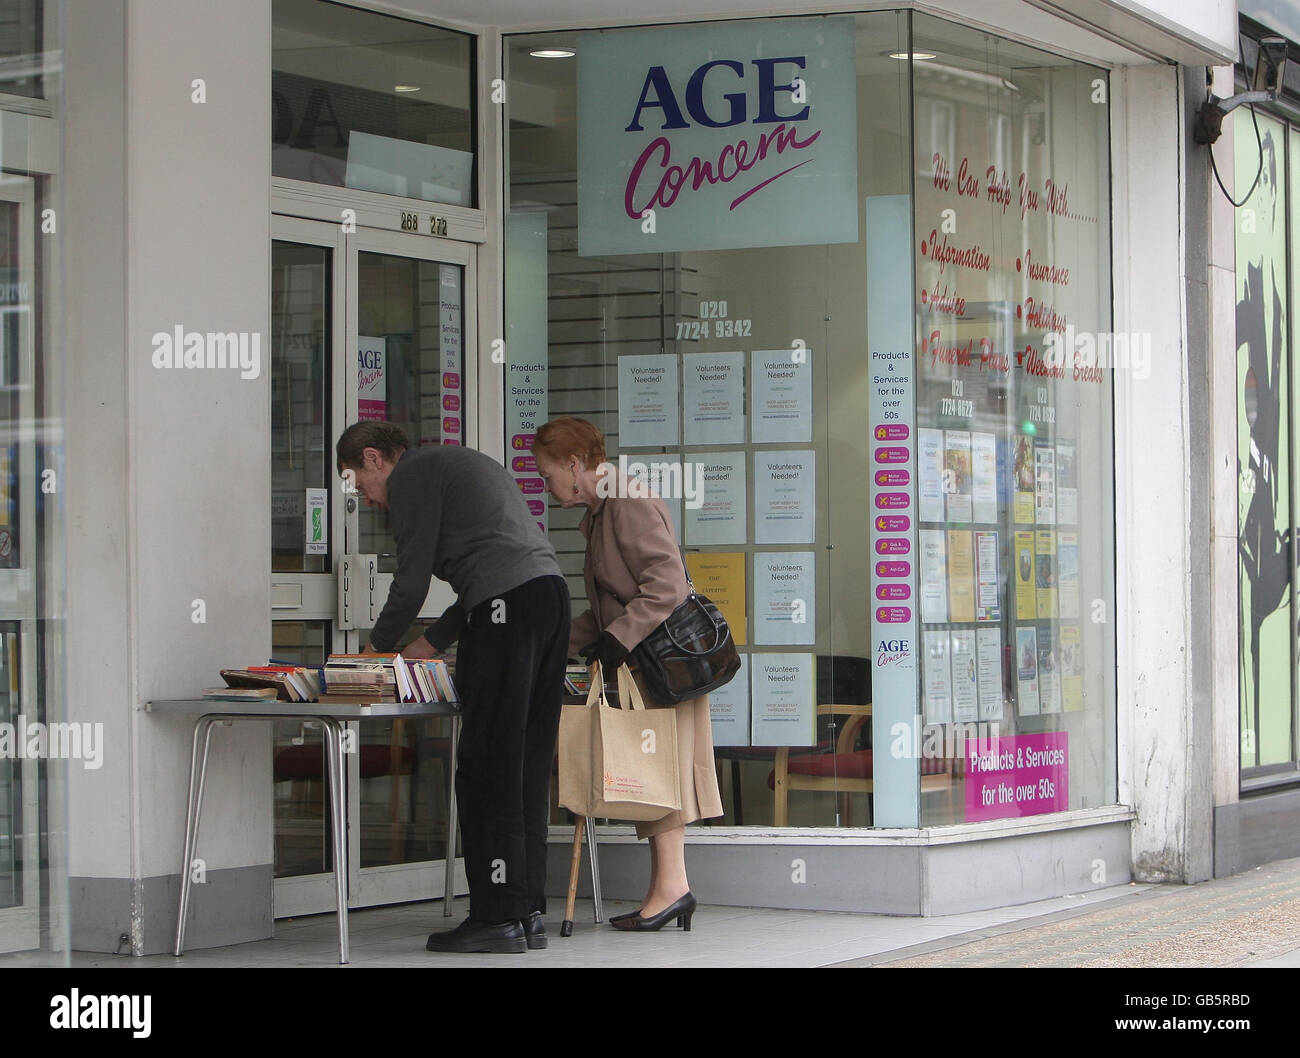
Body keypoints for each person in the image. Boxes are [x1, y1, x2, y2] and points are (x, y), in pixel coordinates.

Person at [336, 422, 569, 955]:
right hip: (547, 599)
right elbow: (492, 568)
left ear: (375, 458)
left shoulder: (412, 476)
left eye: (356, 481)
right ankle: (527, 910)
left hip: (506, 610)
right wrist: (434, 641)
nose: (366, 498)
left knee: (487, 765)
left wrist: (374, 655)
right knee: (525, 764)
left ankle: (496, 916)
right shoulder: (453, 464)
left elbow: (410, 580)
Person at [533, 416, 723, 932]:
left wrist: (617, 640)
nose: (548, 489)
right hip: (649, 661)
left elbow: (666, 585)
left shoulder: (626, 502)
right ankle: (672, 889)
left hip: (661, 664)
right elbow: (605, 609)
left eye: (549, 475)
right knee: (656, 772)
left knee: (656, 772)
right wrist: (550, 638)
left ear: (575, 465)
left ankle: (672, 889)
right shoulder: (600, 509)